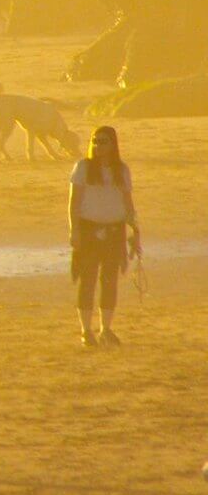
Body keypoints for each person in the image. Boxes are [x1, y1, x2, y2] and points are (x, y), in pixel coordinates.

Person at [69, 125, 140, 348]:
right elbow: (74, 202)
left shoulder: (121, 170)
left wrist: (135, 232)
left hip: (114, 230)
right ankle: (85, 330)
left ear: (113, 144)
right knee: (87, 279)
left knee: (110, 281)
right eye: (95, 141)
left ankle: (106, 329)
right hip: (89, 230)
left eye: (103, 141)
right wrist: (74, 230)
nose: (98, 145)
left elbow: (128, 203)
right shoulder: (83, 167)